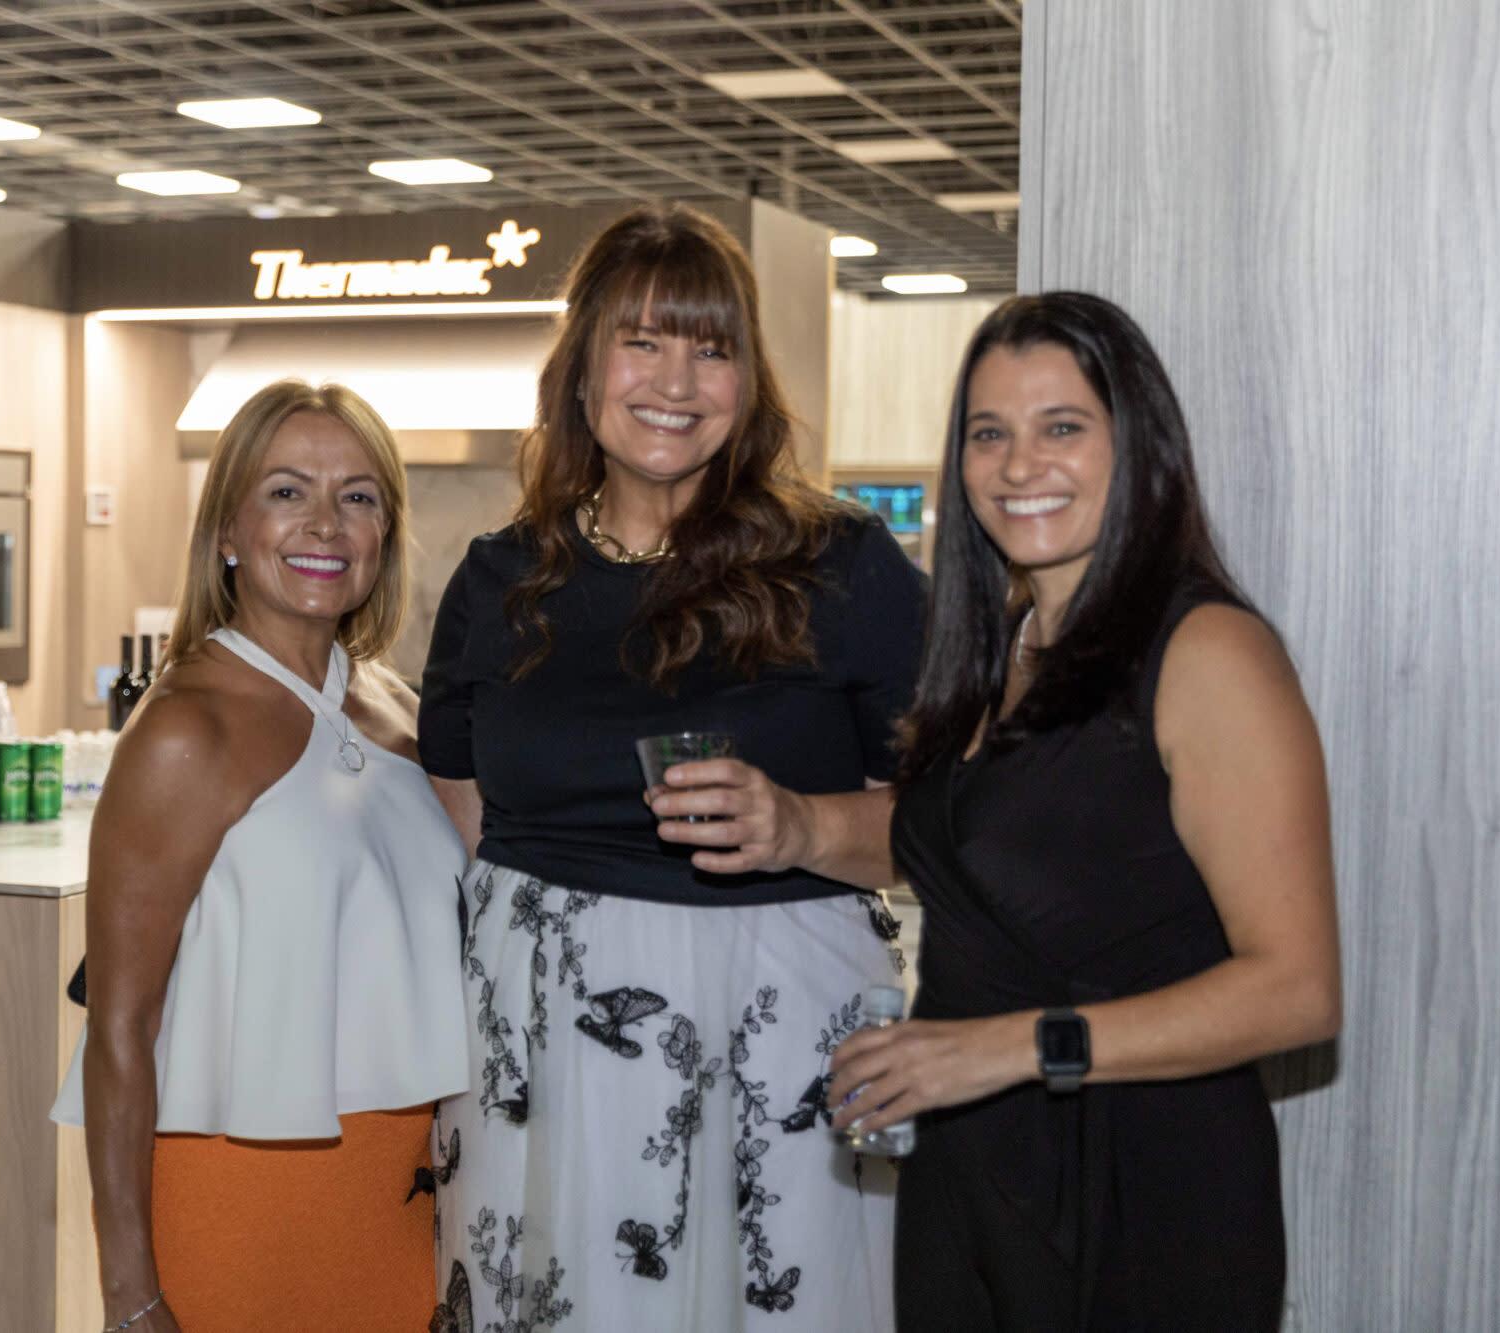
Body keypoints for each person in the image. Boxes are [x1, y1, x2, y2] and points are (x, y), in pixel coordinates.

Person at [419, 202, 929, 1331]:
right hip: (540, 1053)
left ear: (748, 381)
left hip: (781, 1035)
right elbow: (457, 816)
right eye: (640, 340)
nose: (676, 380)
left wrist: (801, 827)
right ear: (583, 369)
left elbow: (964, 825)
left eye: (712, 347)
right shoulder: (499, 580)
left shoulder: (840, 567)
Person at [827, 292, 1342, 1331]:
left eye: (1060, 426)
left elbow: (1295, 991)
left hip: (1139, 1186)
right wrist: (791, 825)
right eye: (988, 433)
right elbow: (989, 855)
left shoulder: (1204, 653)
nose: (1019, 465)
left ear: (1135, 443)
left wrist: (1015, 1045)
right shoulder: (1004, 643)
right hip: (970, 1168)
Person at [51, 379, 468, 1333]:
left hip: (403, 1206)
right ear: (229, 530)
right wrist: (129, 1294)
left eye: (358, 496)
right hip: (246, 1203)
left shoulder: (395, 708)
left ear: (384, 535)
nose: (325, 523)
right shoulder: (183, 733)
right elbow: (120, 1027)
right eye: (288, 491)